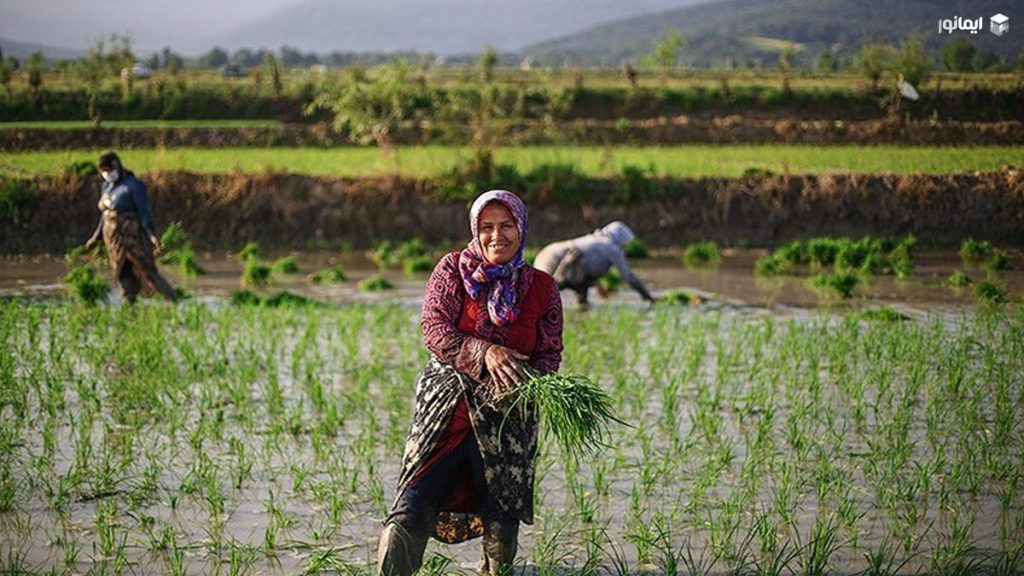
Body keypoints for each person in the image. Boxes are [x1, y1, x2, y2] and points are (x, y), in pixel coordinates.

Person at [378, 190, 563, 576]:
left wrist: (531, 383)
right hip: (448, 412)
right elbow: (434, 329)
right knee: (413, 504)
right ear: (475, 232)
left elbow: (549, 354)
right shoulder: (451, 270)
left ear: (522, 229)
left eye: (506, 226)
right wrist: (485, 352)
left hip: (507, 417)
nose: (497, 236)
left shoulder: (543, 288)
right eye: (487, 228)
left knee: (501, 515)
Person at [83, 150, 176, 303]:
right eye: (103, 172)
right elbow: (105, 214)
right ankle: (129, 301)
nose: (106, 174)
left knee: (147, 270)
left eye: (108, 170)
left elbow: (144, 211)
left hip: (133, 234)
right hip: (113, 238)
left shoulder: (134, 185)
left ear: (116, 165)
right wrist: (95, 236)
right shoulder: (106, 187)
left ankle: (172, 299)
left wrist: (152, 235)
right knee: (122, 272)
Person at [533, 221, 655, 306]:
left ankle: (582, 310)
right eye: (625, 243)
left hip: (548, 252)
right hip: (557, 259)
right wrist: (647, 296)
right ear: (621, 238)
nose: (624, 246)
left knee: (579, 288)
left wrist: (597, 285)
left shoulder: (596, 239)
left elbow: (588, 267)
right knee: (542, 294)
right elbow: (629, 276)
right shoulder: (612, 247)